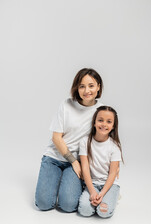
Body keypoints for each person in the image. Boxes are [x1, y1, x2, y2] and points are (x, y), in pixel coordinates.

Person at [35, 68, 104, 212]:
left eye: (91, 85)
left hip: (77, 162)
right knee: (43, 204)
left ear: (98, 86)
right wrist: (73, 161)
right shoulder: (66, 105)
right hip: (54, 157)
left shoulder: (100, 111)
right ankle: (55, 177)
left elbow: (103, 141)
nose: (87, 90)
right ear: (76, 88)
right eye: (82, 86)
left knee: (68, 206)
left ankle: (67, 183)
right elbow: (56, 138)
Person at [78, 106, 123, 218]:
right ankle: (99, 197)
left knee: (103, 212)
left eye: (109, 122)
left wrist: (102, 193)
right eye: (100, 120)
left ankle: (114, 195)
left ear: (113, 126)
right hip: (92, 183)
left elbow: (113, 173)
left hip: (109, 184)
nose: (104, 124)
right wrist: (92, 191)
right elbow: (85, 168)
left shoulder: (114, 147)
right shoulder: (85, 141)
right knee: (85, 211)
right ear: (94, 122)